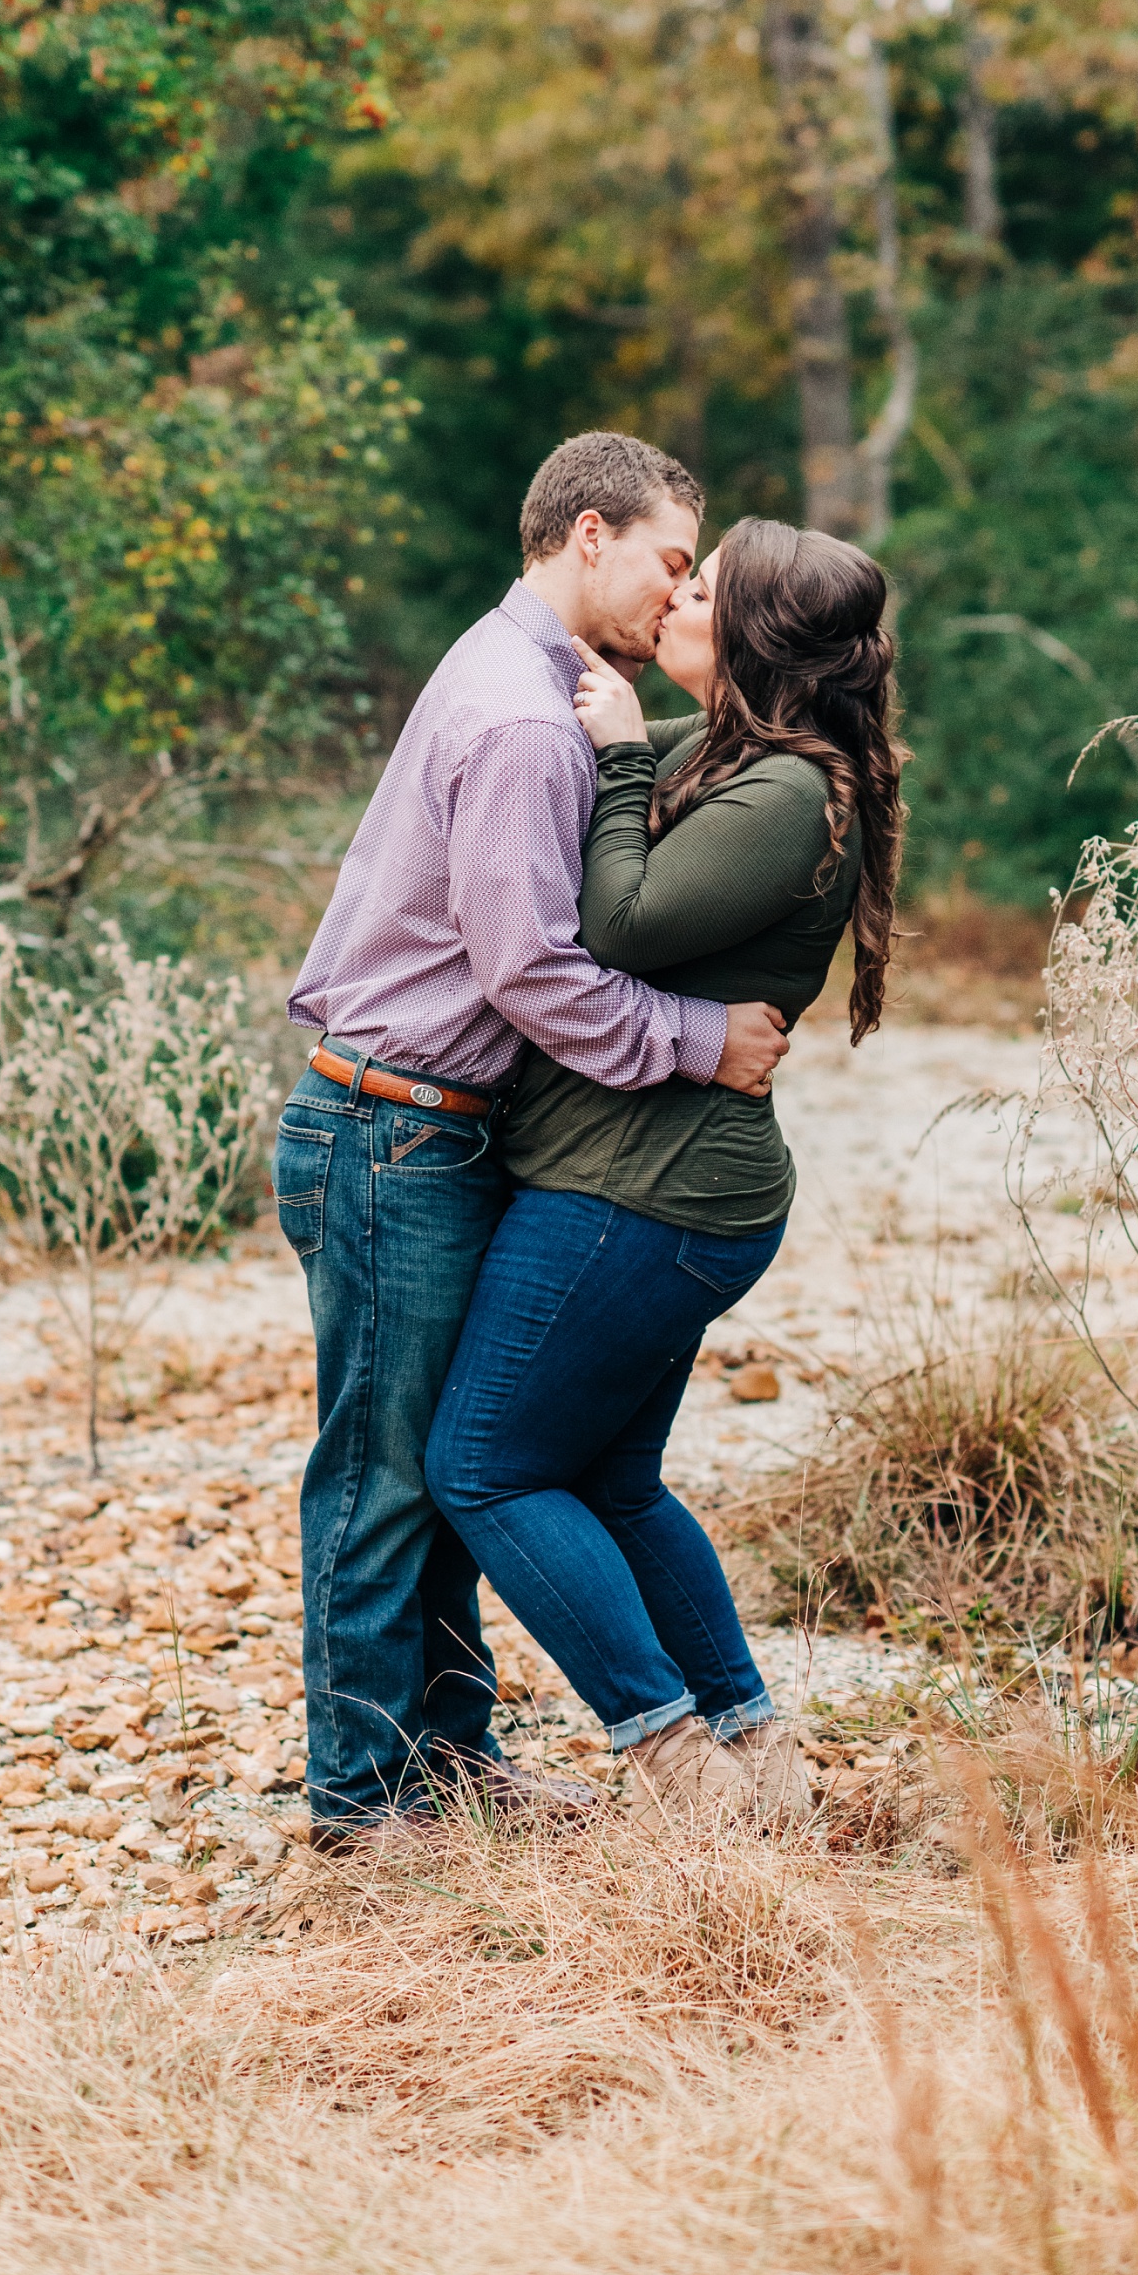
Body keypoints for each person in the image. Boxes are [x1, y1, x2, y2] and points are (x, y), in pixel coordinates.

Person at [276, 431, 795, 1852]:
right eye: (671, 562)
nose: (679, 591)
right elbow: (532, 972)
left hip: (419, 1125)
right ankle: (363, 1801)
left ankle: (450, 1759)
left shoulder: (543, 680)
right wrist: (708, 1041)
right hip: (393, 1126)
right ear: (588, 536)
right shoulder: (523, 717)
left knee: (451, 1464)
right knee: (388, 1479)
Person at [423, 519, 906, 1829]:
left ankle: (684, 1777)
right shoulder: (739, 762)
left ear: (747, 638)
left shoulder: (787, 793)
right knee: (612, 1482)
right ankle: (768, 1778)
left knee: (483, 1468)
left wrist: (623, 755)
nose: (675, 599)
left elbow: (621, 923)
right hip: (649, 1184)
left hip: (646, 1198)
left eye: (702, 588)